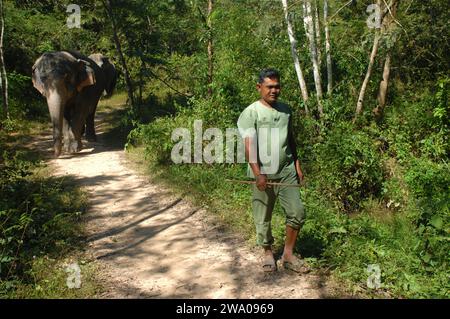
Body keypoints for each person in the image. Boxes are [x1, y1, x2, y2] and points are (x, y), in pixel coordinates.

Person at [237, 68, 309, 273]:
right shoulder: (250, 113)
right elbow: (249, 145)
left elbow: (291, 139)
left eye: (277, 86)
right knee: (263, 216)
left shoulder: (286, 110)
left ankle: (288, 254)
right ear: (259, 87)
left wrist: (297, 164)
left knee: (297, 212)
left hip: (286, 170)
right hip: (263, 173)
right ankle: (268, 252)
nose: (274, 90)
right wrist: (259, 173)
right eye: (269, 86)